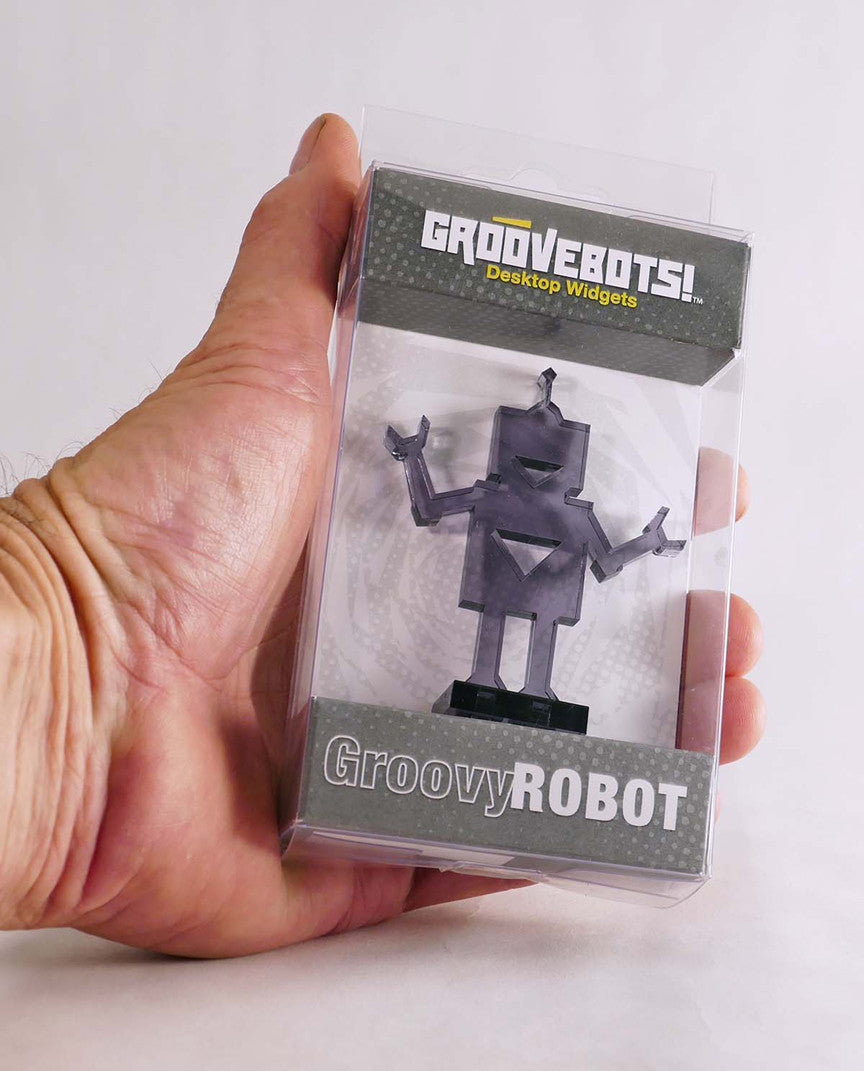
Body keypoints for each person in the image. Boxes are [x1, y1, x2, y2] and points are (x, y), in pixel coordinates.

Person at [0, 115, 765, 958]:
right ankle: (493, 690)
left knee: (539, 661)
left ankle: (529, 700)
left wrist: (652, 542)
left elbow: (607, 565)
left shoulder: (572, 515)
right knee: (491, 656)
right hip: (495, 591)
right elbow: (433, 514)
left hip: (542, 587)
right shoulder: (501, 493)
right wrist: (411, 460)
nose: (540, 466)